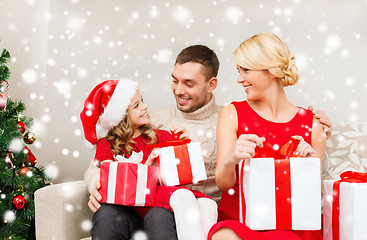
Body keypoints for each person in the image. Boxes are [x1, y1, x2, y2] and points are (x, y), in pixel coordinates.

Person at [84, 45, 333, 239]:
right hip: (152, 205)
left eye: (189, 83)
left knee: (161, 218)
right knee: (108, 215)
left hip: (197, 214)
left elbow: (278, 162)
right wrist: (94, 182)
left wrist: (313, 125)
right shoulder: (154, 122)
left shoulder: (233, 117)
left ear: (211, 84)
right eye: (175, 80)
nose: (178, 90)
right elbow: (106, 155)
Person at [209, 32, 327, 240]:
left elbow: (313, 195)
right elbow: (223, 184)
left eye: (245, 70)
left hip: (290, 224)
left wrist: (308, 163)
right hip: (241, 220)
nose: (239, 79)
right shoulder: (232, 113)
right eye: (238, 71)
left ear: (271, 71)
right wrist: (231, 158)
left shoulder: (314, 124)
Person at [80, 79, 217, 240]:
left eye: (142, 101)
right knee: (106, 213)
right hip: (126, 214)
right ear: (121, 117)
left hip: (157, 211)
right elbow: (112, 182)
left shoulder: (162, 136)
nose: (145, 107)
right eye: (136, 105)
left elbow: (180, 177)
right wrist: (147, 167)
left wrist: (183, 144)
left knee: (159, 216)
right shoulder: (105, 145)